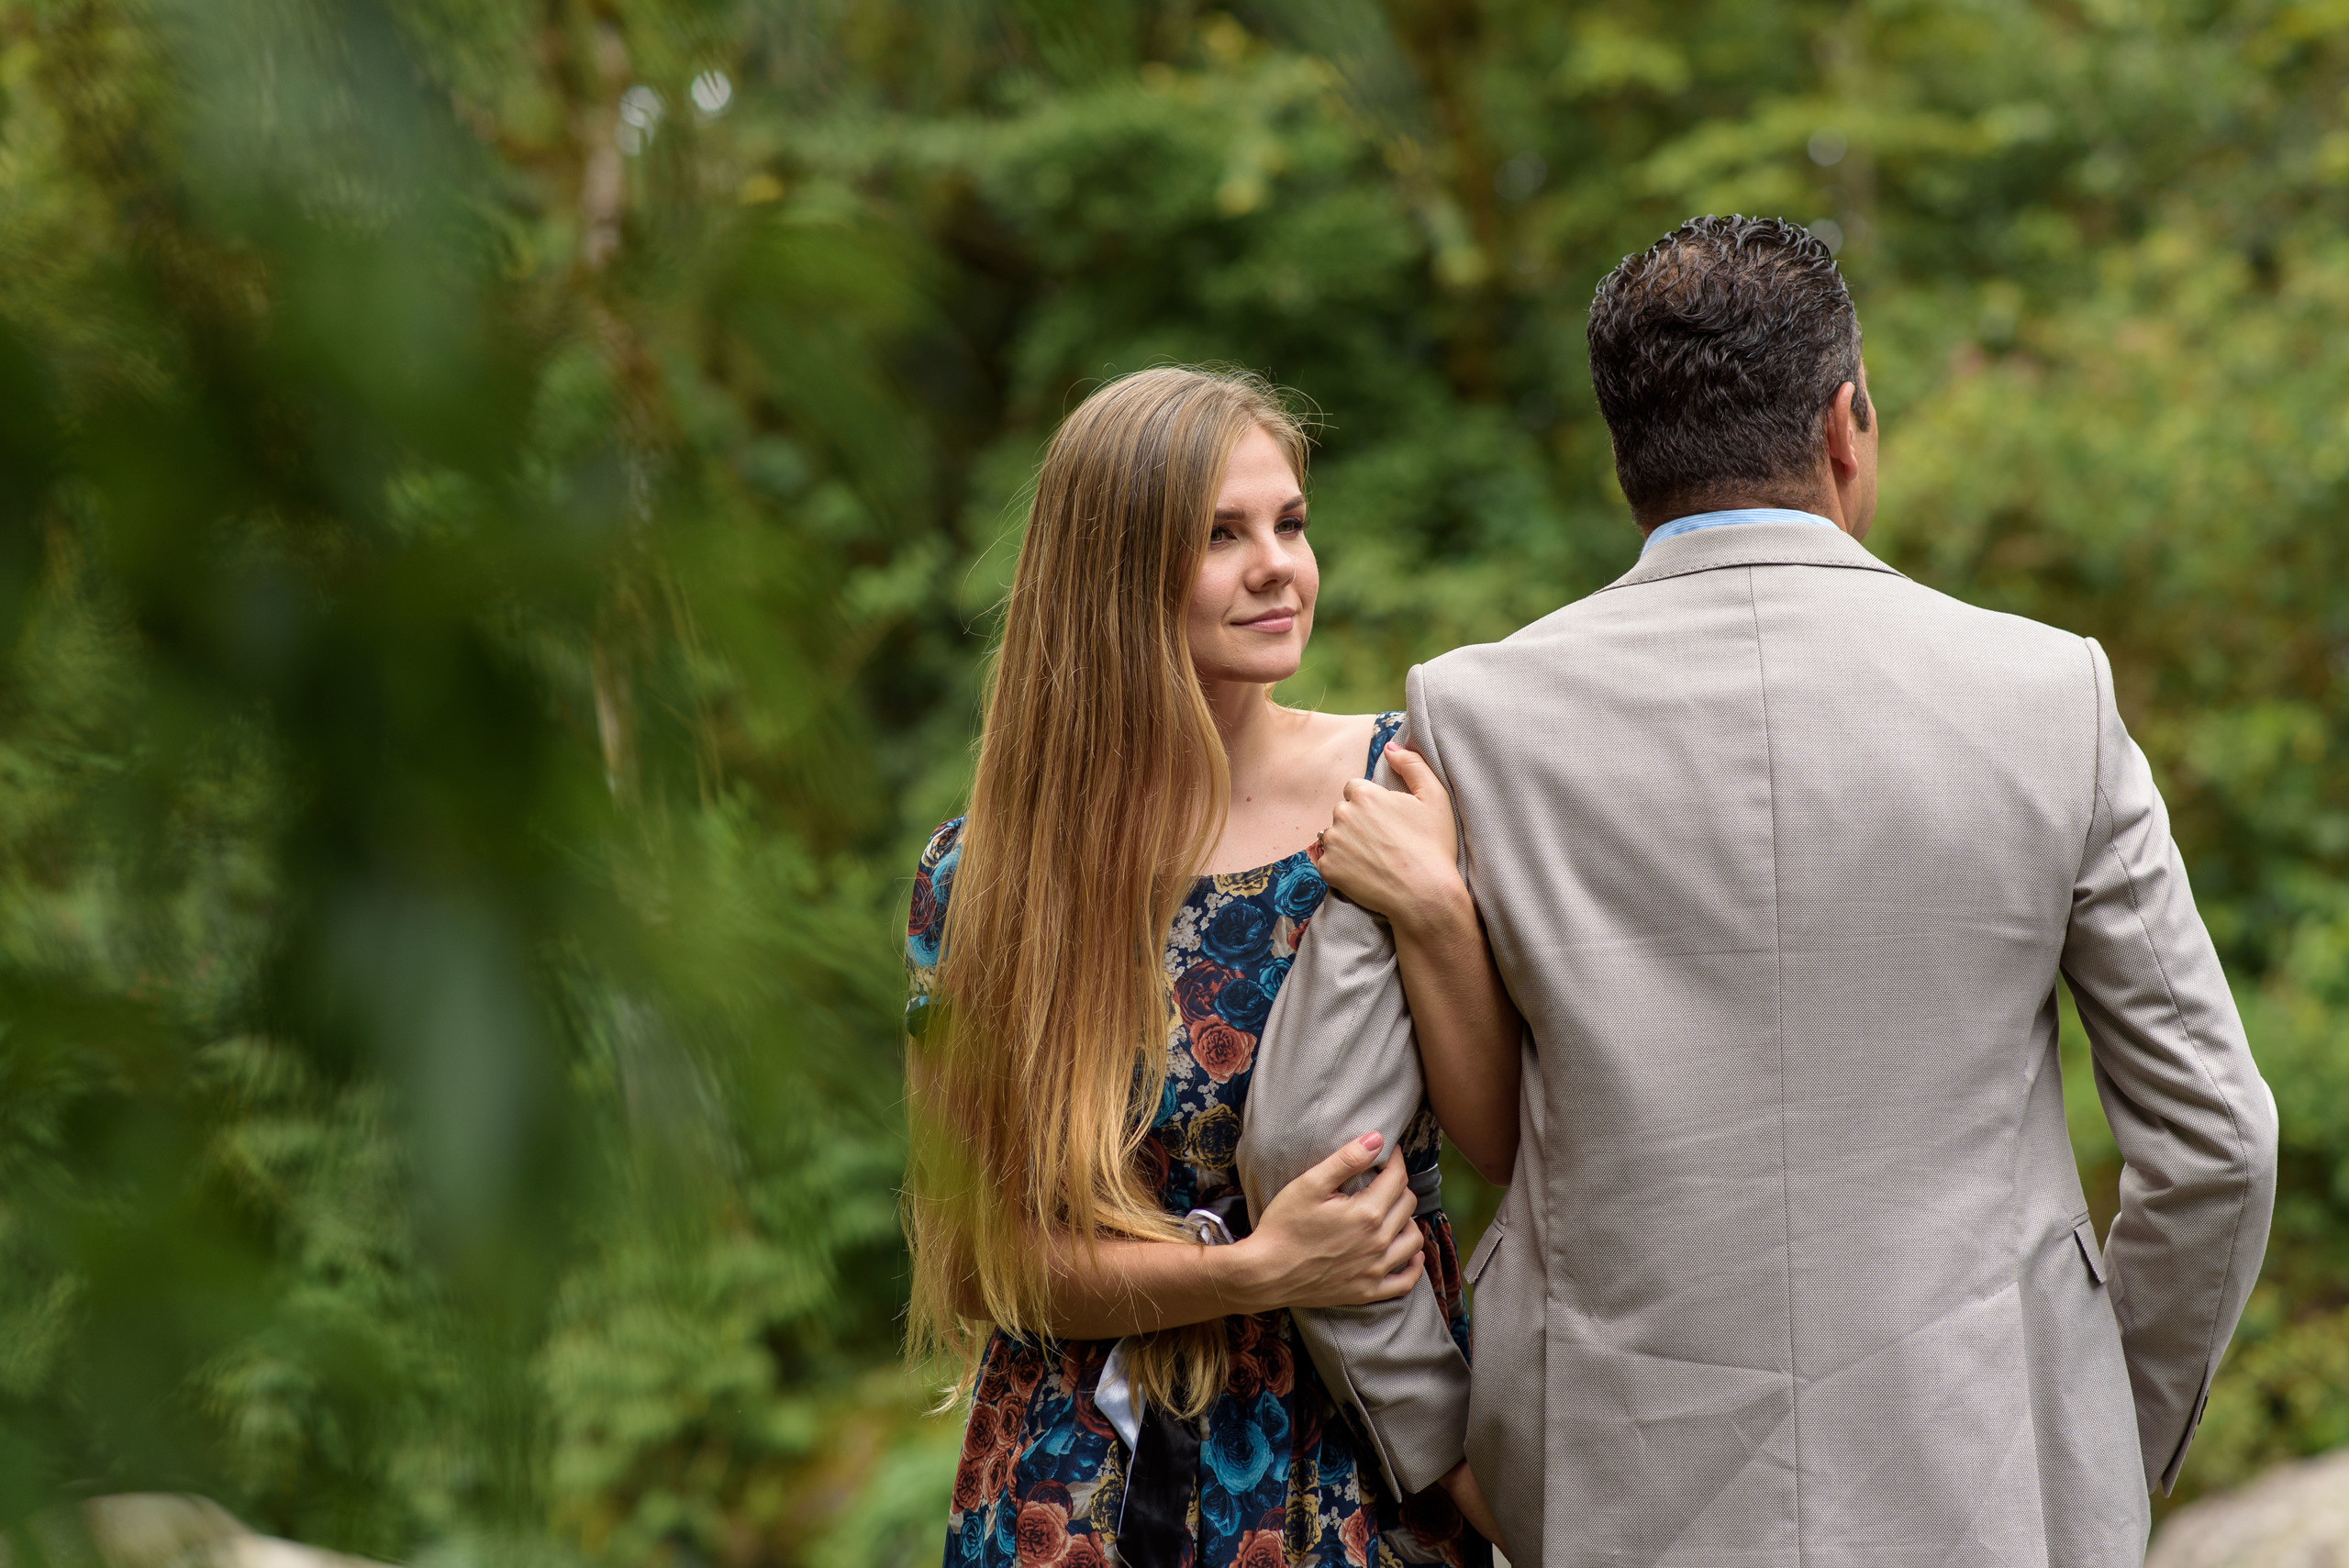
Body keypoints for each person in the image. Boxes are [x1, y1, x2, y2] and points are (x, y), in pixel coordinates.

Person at [1240, 216, 2280, 1566]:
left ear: (1629, 458)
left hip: (1613, 1493)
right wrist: (2086, 1438)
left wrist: (1445, 1438)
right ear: (1847, 425)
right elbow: (2219, 1142)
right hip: (1986, 1480)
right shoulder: (2050, 697)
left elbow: (1309, 1134)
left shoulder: (1474, 719)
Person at [902, 366, 1514, 1567]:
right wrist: (1253, 1269)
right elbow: (984, 1257)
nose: (1277, 564)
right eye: (1221, 537)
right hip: (1070, 1490)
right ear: (1116, 573)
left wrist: (1438, 908)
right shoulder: (984, 875)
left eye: (1289, 522)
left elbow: (1506, 1135)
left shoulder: (1400, 788)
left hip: (1354, 1468)